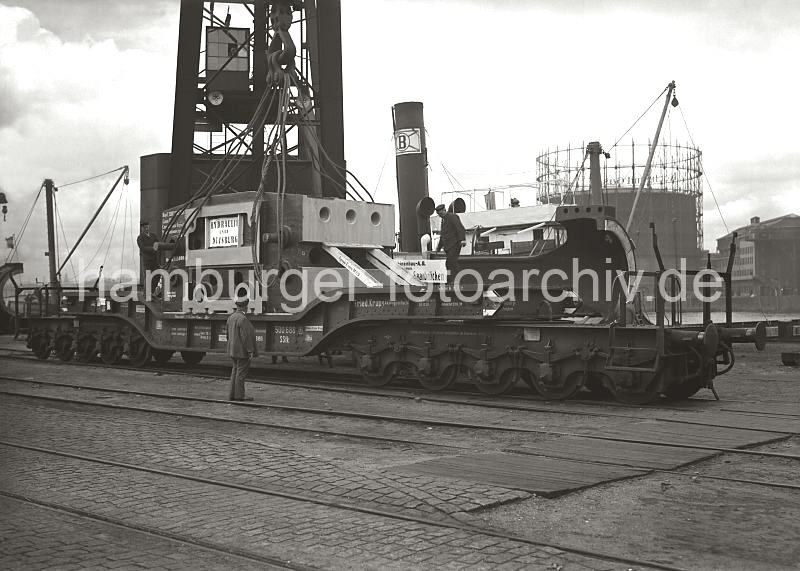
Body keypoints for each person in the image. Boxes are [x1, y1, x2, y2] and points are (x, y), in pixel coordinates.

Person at [227, 294, 259, 401]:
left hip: (232, 350)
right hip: (241, 351)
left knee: (235, 371)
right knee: (240, 373)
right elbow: (246, 337)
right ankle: (240, 395)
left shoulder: (231, 317)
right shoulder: (243, 319)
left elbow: (227, 335)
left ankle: (232, 394)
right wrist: (250, 350)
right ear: (245, 307)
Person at [435, 204, 466, 282]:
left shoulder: (452, 217)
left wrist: (462, 239)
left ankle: (457, 280)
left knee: (452, 262)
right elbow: (443, 235)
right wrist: (438, 247)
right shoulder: (443, 220)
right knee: (448, 263)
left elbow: (460, 228)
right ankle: (450, 279)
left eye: (441, 214)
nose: (440, 216)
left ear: (444, 210)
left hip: (454, 244)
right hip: (448, 246)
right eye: (439, 214)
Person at [137, 222, 160, 294]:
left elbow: (158, 244)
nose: (146, 229)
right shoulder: (140, 238)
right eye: (144, 228)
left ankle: (151, 292)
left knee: (157, 275)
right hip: (147, 261)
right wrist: (153, 249)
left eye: (147, 227)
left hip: (155, 260)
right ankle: (146, 293)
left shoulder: (153, 236)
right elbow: (143, 248)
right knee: (148, 276)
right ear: (142, 229)